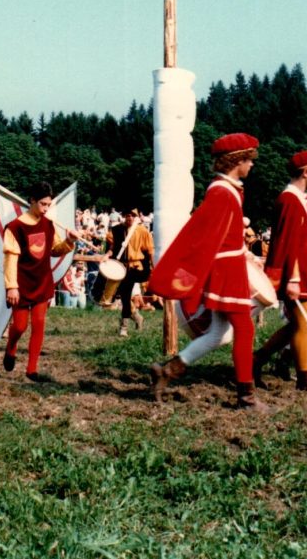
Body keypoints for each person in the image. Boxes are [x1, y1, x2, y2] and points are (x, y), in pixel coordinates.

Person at [148, 133, 268, 410]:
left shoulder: (229, 189)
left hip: (231, 266)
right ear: (236, 160)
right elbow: (204, 237)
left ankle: (167, 371)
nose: (251, 165)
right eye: (249, 159)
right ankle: (246, 397)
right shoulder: (222, 192)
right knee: (245, 329)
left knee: (216, 334)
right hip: (226, 271)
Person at [252, 150, 307, 392]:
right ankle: (304, 378)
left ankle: (258, 360)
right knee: (302, 325)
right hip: (296, 273)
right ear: (305, 173)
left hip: (300, 267)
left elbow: (297, 240)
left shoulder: (295, 199)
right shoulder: (290, 200)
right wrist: (292, 279)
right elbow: (288, 243)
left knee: (298, 324)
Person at [3, 181, 80, 382]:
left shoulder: (48, 225)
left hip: (43, 281)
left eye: (48, 205)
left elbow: (55, 250)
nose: (46, 209)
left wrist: (70, 241)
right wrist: (11, 286)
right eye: (43, 204)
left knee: (39, 324)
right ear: (32, 201)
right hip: (22, 284)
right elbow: (10, 258)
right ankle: (11, 347)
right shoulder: (15, 227)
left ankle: (32, 369)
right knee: (20, 326)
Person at [104, 208, 155, 337]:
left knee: (126, 296)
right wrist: (106, 256)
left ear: (136, 217)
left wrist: (153, 268)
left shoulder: (142, 231)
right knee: (123, 295)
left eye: (133, 215)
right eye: (128, 215)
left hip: (135, 267)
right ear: (124, 216)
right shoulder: (116, 230)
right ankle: (137, 317)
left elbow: (150, 252)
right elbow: (112, 249)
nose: (130, 218)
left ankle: (124, 327)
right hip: (120, 267)